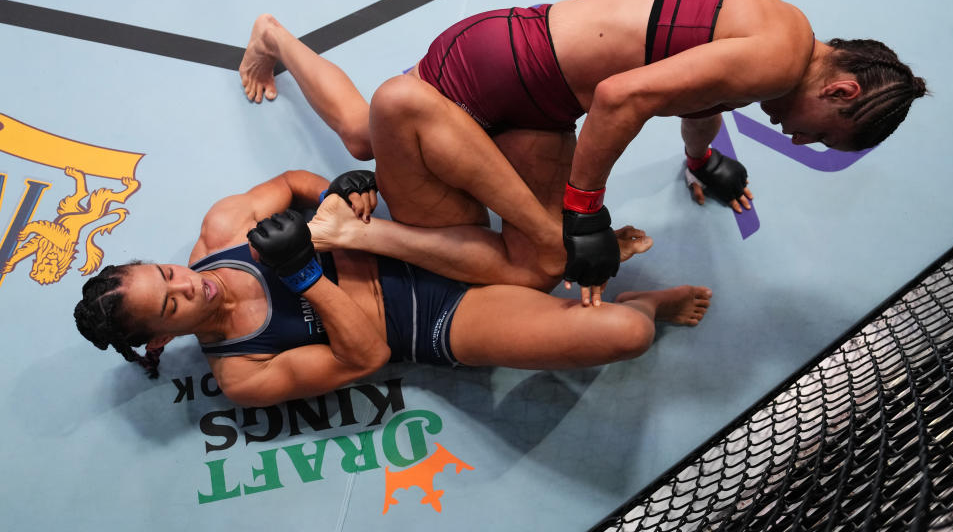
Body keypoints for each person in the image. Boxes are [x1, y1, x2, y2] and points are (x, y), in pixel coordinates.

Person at [238, 0, 927, 302]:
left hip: (541, 107)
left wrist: (700, 157)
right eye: (821, 135)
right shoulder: (780, 54)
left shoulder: (779, 49)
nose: (799, 140)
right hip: (504, 61)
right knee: (363, 137)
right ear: (842, 91)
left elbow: (701, 97)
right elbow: (620, 96)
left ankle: (369, 220)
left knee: (536, 265)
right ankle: (274, 34)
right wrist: (585, 210)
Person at [72, 169, 711, 406]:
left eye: (168, 273)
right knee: (625, 332)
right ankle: (643, 299)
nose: (190, 285)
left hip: (411, 237)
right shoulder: (245, 375)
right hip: (437, 318)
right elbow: (370, 357)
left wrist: (338, 193)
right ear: (160, 338)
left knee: (403, 110)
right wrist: (305, 270)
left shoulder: (221, 229)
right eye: (173, 304)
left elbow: (297, 181)